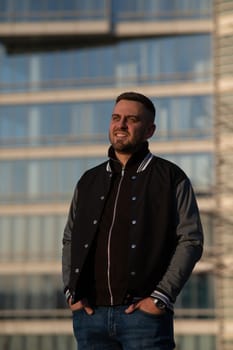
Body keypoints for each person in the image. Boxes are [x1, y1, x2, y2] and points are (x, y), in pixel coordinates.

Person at [62, 91, 203, 350]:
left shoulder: (171, 177)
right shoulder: (88, 180)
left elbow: (191, 240)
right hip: (90, 317)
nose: (121, 124)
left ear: (150, 130)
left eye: (131, 119)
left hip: (144, 318)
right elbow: (70, 237)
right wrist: (72, 293)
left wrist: (160, 298)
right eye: (116, 117)